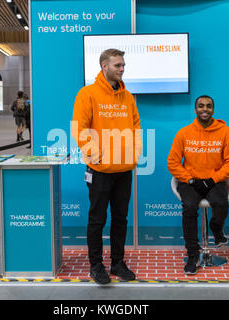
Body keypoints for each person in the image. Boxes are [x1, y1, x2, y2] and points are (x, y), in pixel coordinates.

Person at [72, 48, 142, 284]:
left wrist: (134, 154)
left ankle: (118, 263)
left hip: (124, 170)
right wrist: (96, 157)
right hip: (100, 170)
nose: (122, 69)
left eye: (123, 65)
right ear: (104, 66)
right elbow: (80, 129)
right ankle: (96, 265)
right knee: (97, 219)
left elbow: (135, 128)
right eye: (117, 65)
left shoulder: (127, 97)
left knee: (121, 219)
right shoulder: (87, 94)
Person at [167, 95, 229, 275]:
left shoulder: (225, 132)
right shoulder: (184, 133)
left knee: (221, 204)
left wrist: (213, 179)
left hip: (214, 180)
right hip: (191, 182)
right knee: (189, 208)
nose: (204, 109)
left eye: (208, 106)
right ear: (195, 109)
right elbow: (173, 163)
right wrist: (190, 179)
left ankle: (216, 228)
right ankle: (193, 255)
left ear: (213, 110)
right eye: (201, 106)